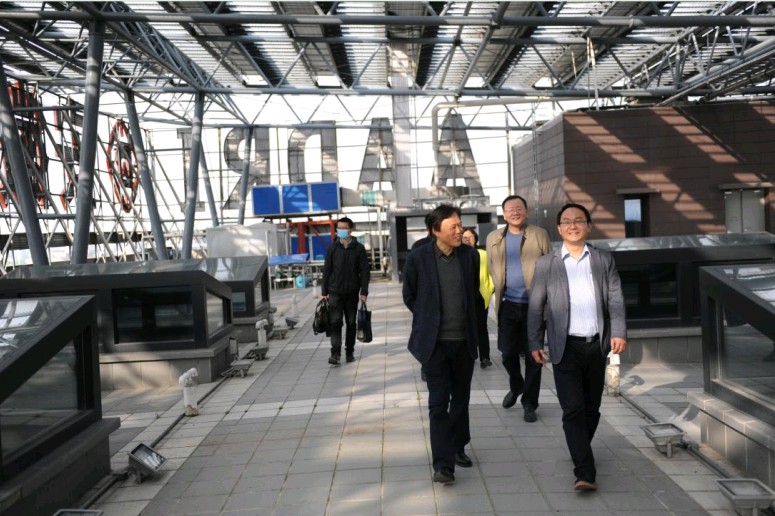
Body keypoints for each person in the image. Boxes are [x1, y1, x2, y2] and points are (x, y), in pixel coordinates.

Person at [527, 203, 627, 492]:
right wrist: (535, 341)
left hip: (597, 345)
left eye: (578, 221)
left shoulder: (602, 259)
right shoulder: (546, 264)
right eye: (567, 222)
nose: (573, 225)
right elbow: (536, 307)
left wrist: (618, 332)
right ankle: (585, 471)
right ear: (559, 229)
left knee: (591, 409)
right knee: (573, 409)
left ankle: (579, 446)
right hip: (565, 347)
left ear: (588, 226)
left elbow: (616, 299)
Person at [403, 204, 480, 485]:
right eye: (453, 227)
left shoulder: (470, 256)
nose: (460, 231)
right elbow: (410, 295)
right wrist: (429, 319)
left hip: (463, 342)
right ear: (435, 230)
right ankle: (443, 465)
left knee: (460, 401)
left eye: (460, 225)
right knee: (438, 404)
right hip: (434, 344)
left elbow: (473, 294)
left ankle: (458, 446)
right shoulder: (419, 257)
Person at [485, 195, 551, 422]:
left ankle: (529, 403)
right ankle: (517, 385)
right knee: (507, 353)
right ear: (504, 214)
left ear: (526, 211)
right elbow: (492, 267)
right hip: (508, 305)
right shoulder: (493, 238)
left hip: (535, 306)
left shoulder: (539, 234)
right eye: (510, 209)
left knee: (534, 357)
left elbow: (551, 266)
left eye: (519, 208)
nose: (515, 212)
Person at [321, 217, 370, 365]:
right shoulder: (332, 248)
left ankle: (350, 352)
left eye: (344, 228)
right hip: (334, 291)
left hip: (352, 292)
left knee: (351, 323)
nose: (341, 231)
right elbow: (327, 271)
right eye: (339, 228)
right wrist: (324, 292)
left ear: (350, 230)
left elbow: (364, 272)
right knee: (335, 322)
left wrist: (364, 291)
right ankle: (335, 354)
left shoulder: (359, 249)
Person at [462, 227, 495, 368]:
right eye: (464, 237)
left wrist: (490, 288)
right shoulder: (459, 255)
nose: (467, 240)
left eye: (470, 237)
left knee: (481, 326)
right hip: (464, 297)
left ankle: (485, 357)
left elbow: (492, 273)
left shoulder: (483, 254)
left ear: (475, 239)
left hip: (481, 295)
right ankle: (470, 355)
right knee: (466, 327)